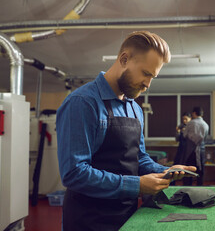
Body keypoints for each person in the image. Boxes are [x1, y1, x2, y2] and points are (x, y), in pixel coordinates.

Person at [56, 31, 196, 230]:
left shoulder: (135, 108)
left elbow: (138, 158)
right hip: (87, 219)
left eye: (153, 77)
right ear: (124, 59)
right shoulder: (83, 103)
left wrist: (165, 171)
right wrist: (137, 185)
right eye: (146, 73)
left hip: (126, 216)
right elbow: (74, 173)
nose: (148, 84)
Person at [182, 107, 209, 186]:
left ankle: (187, 189)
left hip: (190, 150)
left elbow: (184, 135)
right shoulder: (206, 124)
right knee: (200, 170)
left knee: (188, 170)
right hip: (201, 149)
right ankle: (200, 188)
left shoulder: (191, 123)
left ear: (194, 113)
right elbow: (205, 137)